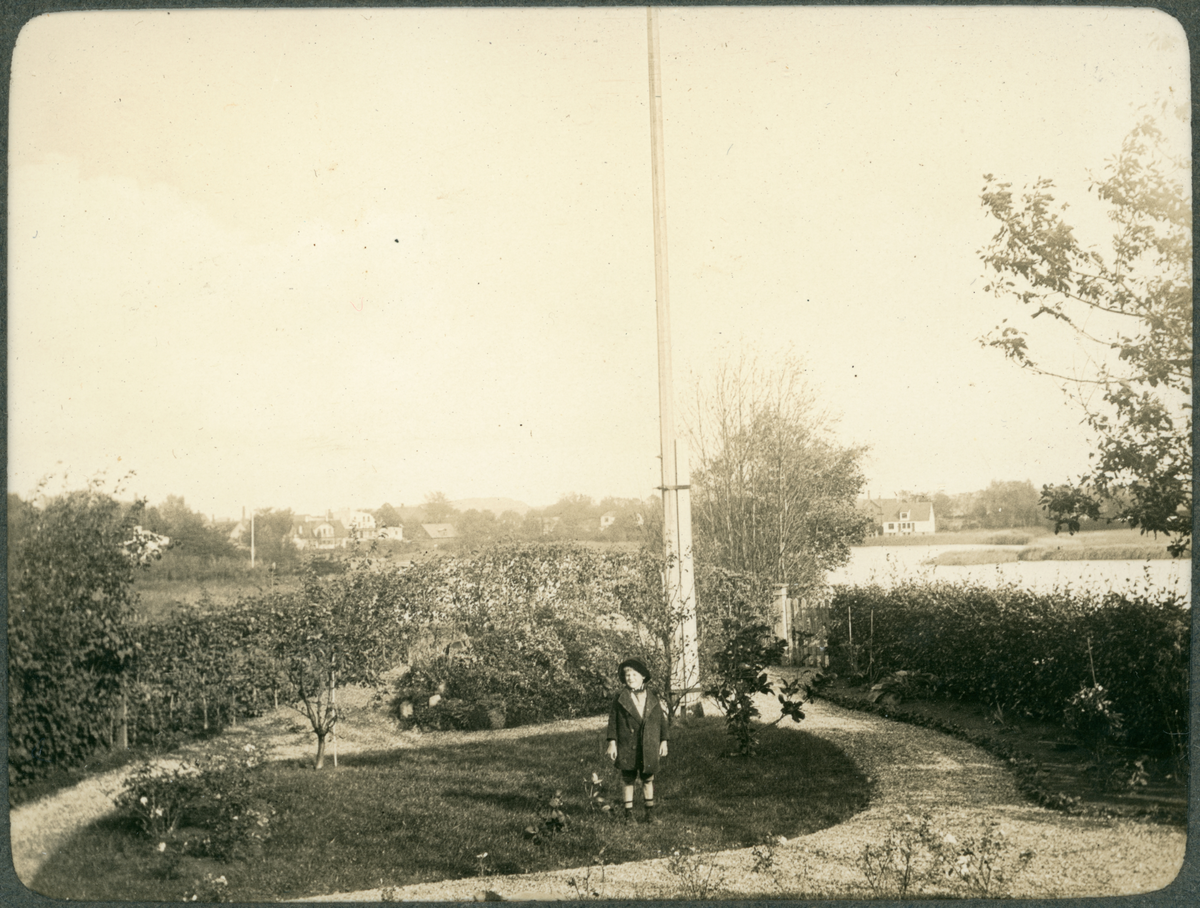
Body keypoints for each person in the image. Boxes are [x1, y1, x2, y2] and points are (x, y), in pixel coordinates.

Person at [606, 657, 669, 823]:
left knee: (648, 779)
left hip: (649, 745)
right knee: (628, 779)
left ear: (643, 676)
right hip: (628, 745)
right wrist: (612, 743)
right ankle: (629, 815)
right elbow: (613, 721)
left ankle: (650, 814)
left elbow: (661, 720)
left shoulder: (652, 697)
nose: (631, 678)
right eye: (627, 675)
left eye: (634, 674)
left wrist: (663, 740)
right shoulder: (620, 698)